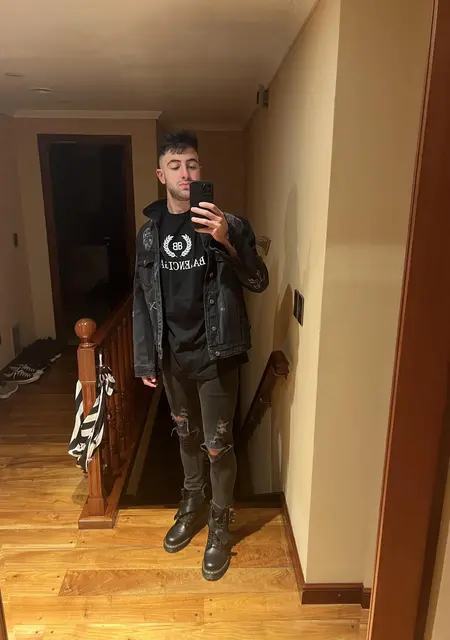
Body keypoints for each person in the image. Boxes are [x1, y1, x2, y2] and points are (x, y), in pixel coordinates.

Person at [132, 130, 269, 581]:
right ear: (161, 176)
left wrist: (227, 240)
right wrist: (145, 359)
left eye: (191, 165)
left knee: (217, 445)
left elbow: (258, 281)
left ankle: (220, 524)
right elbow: (142, 299)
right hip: (172, 357)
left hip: (216, 354)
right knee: (186, 437)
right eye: (175, 166)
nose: (185, 173)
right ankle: (192, 502)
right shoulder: (149, 235)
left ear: (200, 170)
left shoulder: (229, 224)